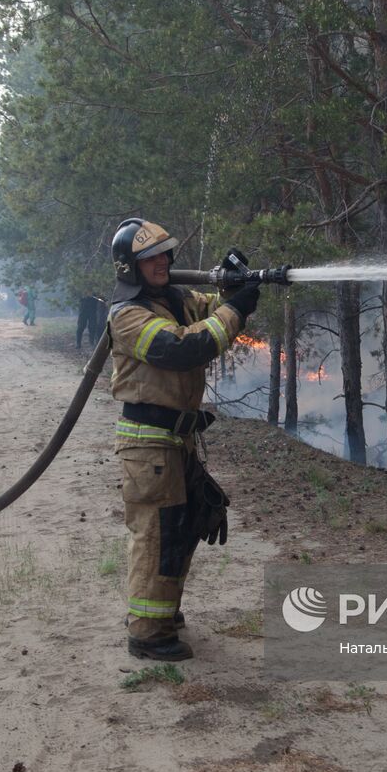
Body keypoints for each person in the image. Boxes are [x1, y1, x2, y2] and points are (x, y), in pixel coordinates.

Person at [108, 219, 262, 661]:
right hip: (148, 444)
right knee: (158, 533)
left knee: (183, 525)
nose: (161, 262)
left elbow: (215, 307)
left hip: (175, 440)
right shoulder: (129, 315)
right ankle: (147, 633)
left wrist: (237, 287)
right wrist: (236, 310)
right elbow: (185, 349)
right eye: (148, 257)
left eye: (164, 254)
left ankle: (161, 613)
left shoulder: (174, 299)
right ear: (129, 267)